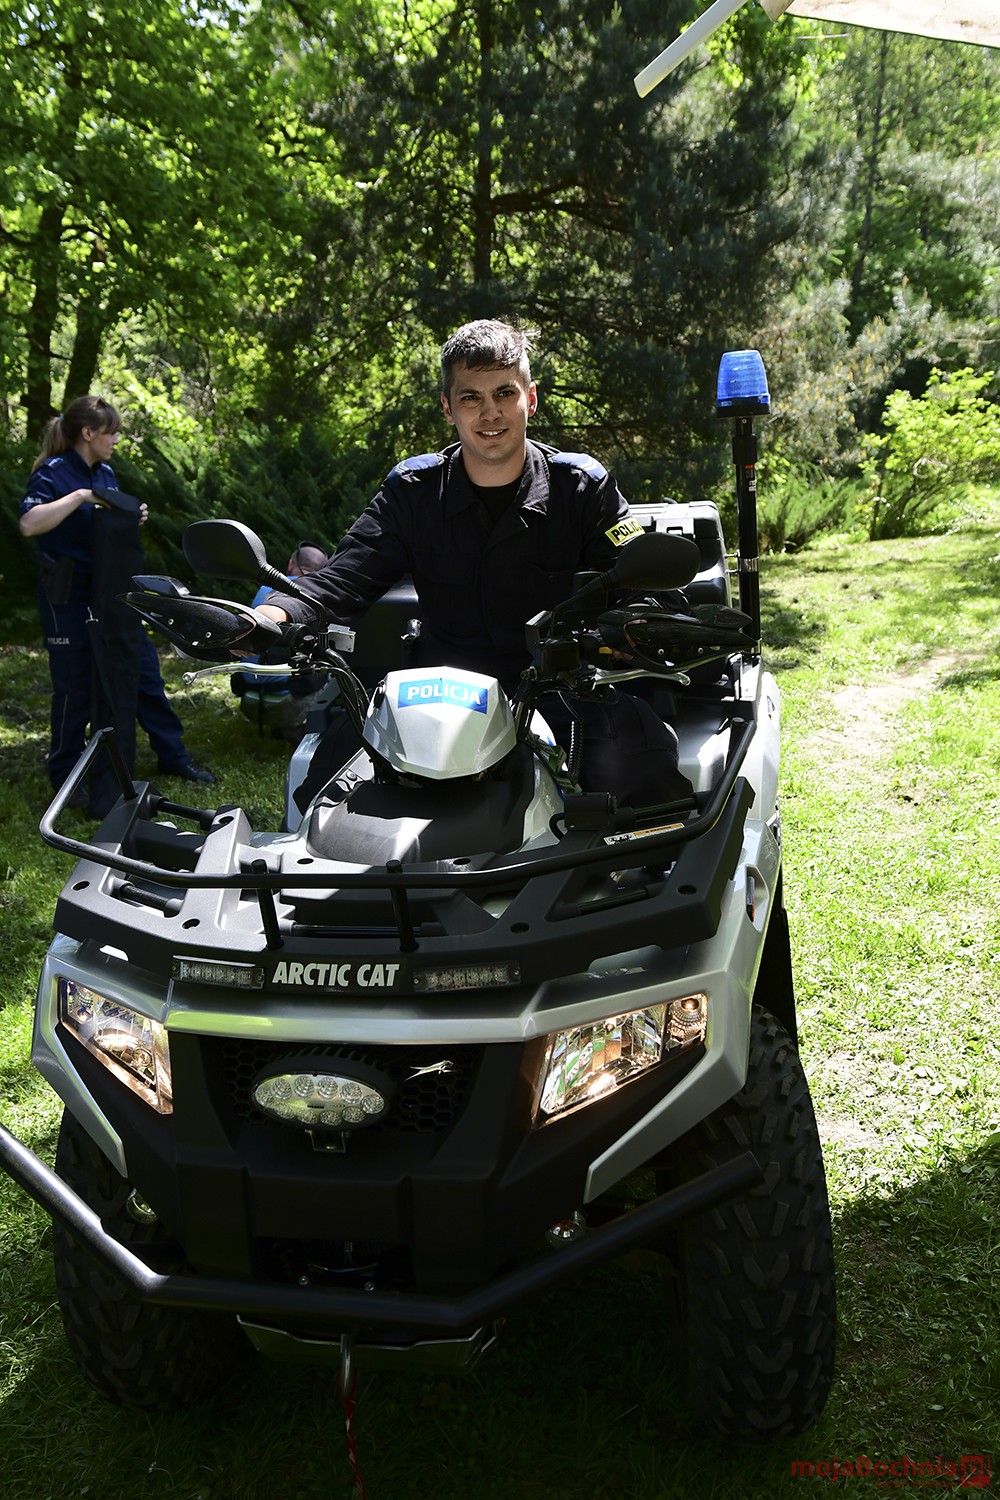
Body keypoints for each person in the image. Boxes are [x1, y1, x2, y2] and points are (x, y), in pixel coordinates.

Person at [257, 319, 691, 807]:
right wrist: (269, 616)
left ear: (531, 398)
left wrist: (646, 623)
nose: (490, 413)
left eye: (505, 393)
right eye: (471, 397)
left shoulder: (581, 488)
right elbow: (342, 579)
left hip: (558, 691)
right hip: (436, 695)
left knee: (644, 782)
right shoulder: (413, 492)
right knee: (325, 792)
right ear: (448, 407)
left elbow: (642, 582)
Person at [18, 395, 215, 815]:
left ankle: (173, 757)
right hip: (67, 597)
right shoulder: (54, 472)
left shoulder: (106, 472)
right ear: (88, 433)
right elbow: (30, 524)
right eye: (111, 433)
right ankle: (67, 779)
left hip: (111, 594)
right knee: (74, 688)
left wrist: (129, 514)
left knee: (143, 672)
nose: (117, 441)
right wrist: (80, 497)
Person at [231, 542, 330, 741]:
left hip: (250, 701)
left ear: (290, 564)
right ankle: (304, 729)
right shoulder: (318, 596)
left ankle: (279, 725)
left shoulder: (265, 590)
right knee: (334, 664)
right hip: (286, 704)